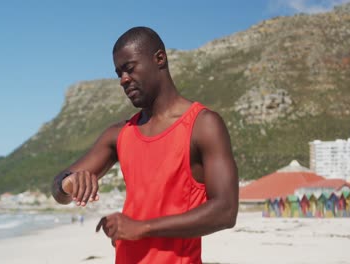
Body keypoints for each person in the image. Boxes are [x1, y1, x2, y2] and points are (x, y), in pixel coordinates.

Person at [52, 26, 238, 264]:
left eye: (129, 69)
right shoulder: (119, 134)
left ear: (159, 59)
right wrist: (69, 182)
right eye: (119, 73)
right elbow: (58, 190)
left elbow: (225, 210)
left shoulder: (203, 125)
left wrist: (141, 228)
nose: (123, 80)